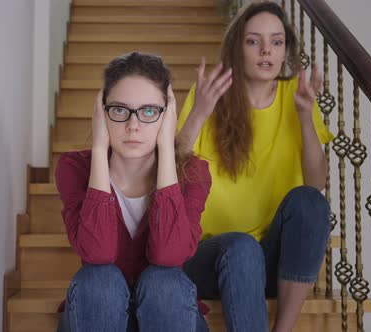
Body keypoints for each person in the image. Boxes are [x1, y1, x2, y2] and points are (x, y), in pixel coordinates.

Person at [176, 2, 334, 332]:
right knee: (240, 246)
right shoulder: (210, 93)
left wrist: (305, 118)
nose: (266, 51)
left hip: (270, 262)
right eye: (253, 41)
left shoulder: (296, 95)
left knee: (310, 202)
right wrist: (199, 113)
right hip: (209, 257)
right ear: (238, 47)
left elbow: (316, 182)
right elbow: (173, 172)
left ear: (286, 49)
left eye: (277, 42)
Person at [55, 52, 212, 332]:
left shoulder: (194, 173)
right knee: (97, 280)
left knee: (164, 283)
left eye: (149, 111)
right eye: (119, 110)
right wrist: (100, 150)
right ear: (101, 113)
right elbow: (97, 252)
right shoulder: (74, 168)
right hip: (100, 309)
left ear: (168, 115)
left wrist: (166, 149)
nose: (133, 125)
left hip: (168, 310)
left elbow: (169, 256)